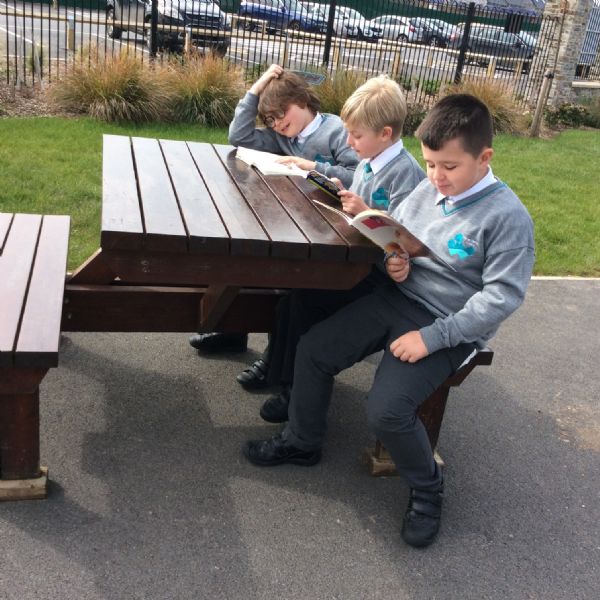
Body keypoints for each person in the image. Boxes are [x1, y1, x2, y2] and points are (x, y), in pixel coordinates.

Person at [242, 94, 536, 549]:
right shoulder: (431, 189)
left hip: (447, 325)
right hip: (398, 296)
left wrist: (433, 338)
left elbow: (502, 297)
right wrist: (397, 260)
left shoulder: (509, 218)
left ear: (485, 158)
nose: (436, 177)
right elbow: (404, 237)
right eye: (430, 164)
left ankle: (428, 489)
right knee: (314, 348)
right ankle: (302, 442)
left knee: (386, 412)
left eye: (449, 167)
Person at [242, 74, 425, 424]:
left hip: (380, 279)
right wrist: (339, 191)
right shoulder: (371, 161)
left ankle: (292, 392)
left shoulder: (404, 173)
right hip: (358, 263)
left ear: (385, 134)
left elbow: (405, 236)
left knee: (303, 305)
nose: (350, 142)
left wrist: (366, 211)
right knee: (292, 297)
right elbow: (361, 197)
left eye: (356, 135)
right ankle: (280, 375)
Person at [189, 64, 360, 359]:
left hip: (330, 228)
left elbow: (358, 175)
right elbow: (238, 136)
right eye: (270, 119)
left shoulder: (336, 131)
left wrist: (313, 166)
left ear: (302, 101)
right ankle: (234, 328)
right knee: (247, 248)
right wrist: (258, 87)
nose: (278, 123)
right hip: (293, 218)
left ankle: (274, 359)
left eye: (282, 113)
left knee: (286, 279)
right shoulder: (283, 138)